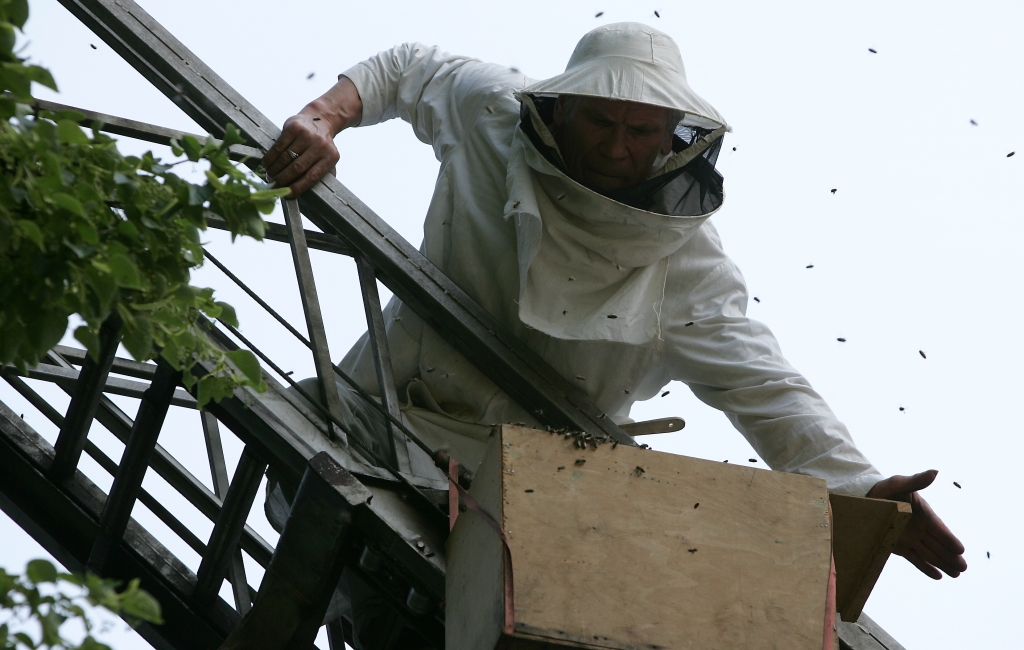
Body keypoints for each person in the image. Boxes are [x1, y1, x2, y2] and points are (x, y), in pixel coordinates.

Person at [263, 23, 966, 647]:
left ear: (672, 137)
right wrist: (323, 117)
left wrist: (864, 488)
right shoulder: (491, 111)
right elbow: (411, 68)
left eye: (641, 131)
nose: (616, 146)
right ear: (563, 107)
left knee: (450, 616)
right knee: (310, 464)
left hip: (515, 496)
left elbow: (765, 385)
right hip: (378, 409)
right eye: (600, 121)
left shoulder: (689, 267)